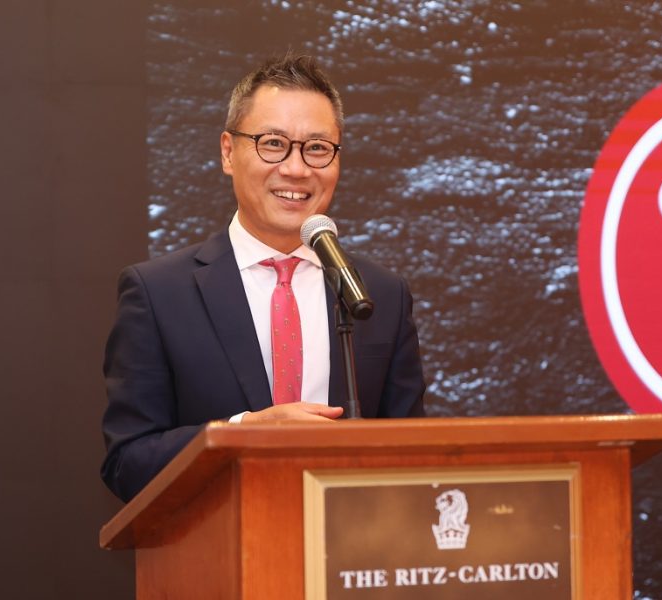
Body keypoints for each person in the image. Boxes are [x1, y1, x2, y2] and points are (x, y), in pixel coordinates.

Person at [100, 55, 426, 502]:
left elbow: (414, 457)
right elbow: (127, 463)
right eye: (273, 143)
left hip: (350, 542)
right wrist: (242, 433)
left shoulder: (378, 295)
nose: (296, 169)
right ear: (228, 152)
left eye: (317, 148)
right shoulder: (158, 294)